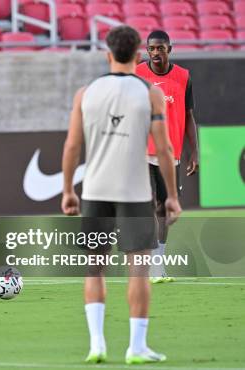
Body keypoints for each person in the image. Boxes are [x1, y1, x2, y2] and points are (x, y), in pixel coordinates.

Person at [61, 26, 182, 364]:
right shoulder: (150, 93)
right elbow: (163, 148)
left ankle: (96, 344)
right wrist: (171, 195)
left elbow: (72, 145)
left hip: (96, 190)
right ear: (139, 55)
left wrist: (69, 190)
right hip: (135, 191)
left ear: (107, 54)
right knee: (139, 270)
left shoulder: (86, 93)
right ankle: (136, 346)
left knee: (94, 269)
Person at [136, 30, 199, 283]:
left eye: (161, 48)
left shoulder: (183, 76)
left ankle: (158, 265)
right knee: (148, 205)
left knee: (163, 208)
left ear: (169, 49)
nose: (156, 53)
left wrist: (194, 150)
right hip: (141, 151)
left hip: (170, 154)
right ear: (147, 50)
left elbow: (189, 116)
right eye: (152, 48)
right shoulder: (138, 74)